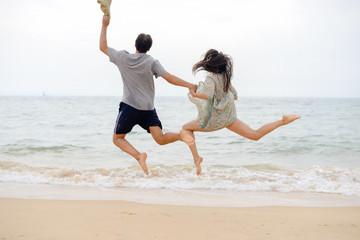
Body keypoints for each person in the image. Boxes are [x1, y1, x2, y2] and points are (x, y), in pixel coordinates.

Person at [99, 14, 196, 175]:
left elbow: (103, 47)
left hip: (129, 107)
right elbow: (170, 78)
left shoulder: (122, 57)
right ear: (149, 48)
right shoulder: (151, 62)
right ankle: (181, 136)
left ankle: (139, 156)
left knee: (117, 139)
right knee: (160, 139)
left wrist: (104, 25)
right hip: (148, 109)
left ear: (135, 44)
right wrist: (190, 85)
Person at [180, 49, 301, 175]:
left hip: (214, 120)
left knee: (186, 128)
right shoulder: (225, 78)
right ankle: (283, 121)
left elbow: (209, 96)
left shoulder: (210, 79)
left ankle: (197, 158)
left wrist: (195, 94)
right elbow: (236, 96)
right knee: (255, 135)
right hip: (229, 118)